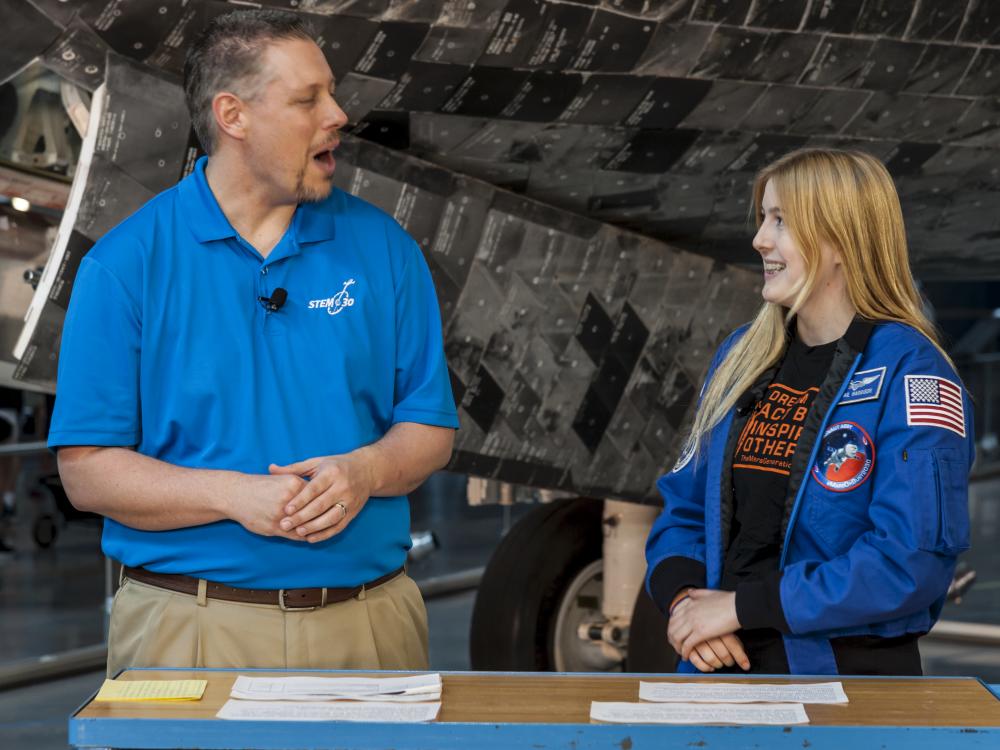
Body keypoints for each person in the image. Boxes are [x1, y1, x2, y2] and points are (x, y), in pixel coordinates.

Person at [48, 9, 458, 676]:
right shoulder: (126, 266)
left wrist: (364, 474)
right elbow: (87, 470)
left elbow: (428, 428)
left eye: (331, 91)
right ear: (233, 116)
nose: (339, 115)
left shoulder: (386, 251)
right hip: (189, 632)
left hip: (369, 626)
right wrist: (233, 497)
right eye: (308, 99)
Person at [644, 148, 973, 676]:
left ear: (842, 238)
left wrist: (737, 607)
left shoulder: (912, 374)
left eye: (782, 221)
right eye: (763, 219)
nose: (760, 239)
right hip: (719, 669)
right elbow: (684, 506)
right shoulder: (741, 358)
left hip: (844, 683)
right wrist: (685, 602)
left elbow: (908, 561)